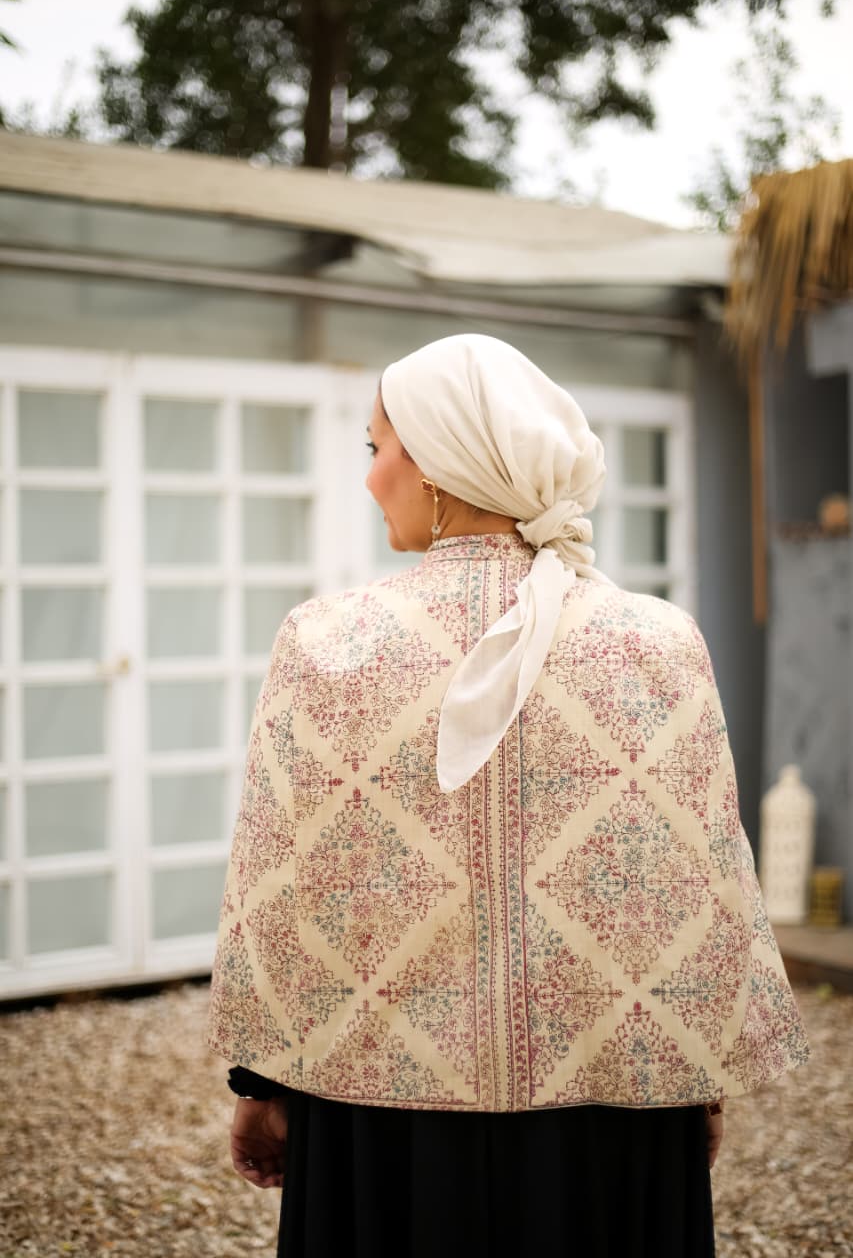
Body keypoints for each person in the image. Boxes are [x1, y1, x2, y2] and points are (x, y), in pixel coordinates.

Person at [208, 333, 808, 1257]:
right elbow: (697, 890)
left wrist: (265, 1089)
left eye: (377, 449)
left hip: (380, 1125)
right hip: (612, 1118)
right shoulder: (657, 641)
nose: (370, 479)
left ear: (437, 464)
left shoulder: (326, 640)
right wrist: (696, 1088)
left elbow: (277, 895)